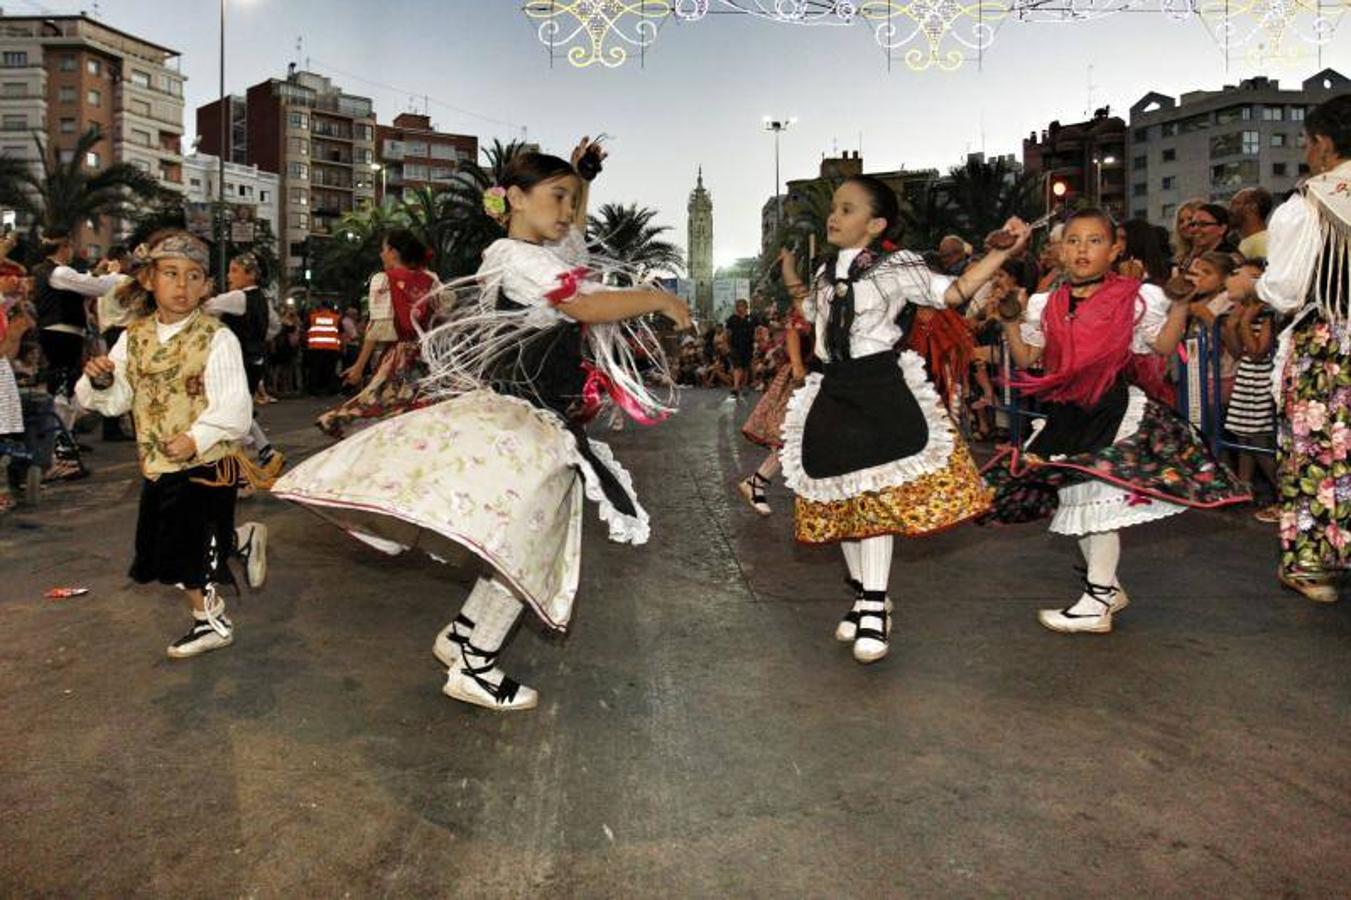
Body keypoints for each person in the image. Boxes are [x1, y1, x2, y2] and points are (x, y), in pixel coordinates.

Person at [272, 141, 692, 712]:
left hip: (538, 417)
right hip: (523, 419)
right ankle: (476, 662)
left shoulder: (534, 250)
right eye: (557, 197)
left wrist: (583, 178)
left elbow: (572, 246)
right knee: (529, 539)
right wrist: (655, 297)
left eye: (572, 199)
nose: (568, 210)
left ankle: (466, 636)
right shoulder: (515, 257)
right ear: (515, 198)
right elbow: (583, 305)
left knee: (520, 536)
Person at [777, 175, 1023, 664]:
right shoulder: (827, 272)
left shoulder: (896, 266)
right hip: (833, 387)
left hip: (877, 384)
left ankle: (874, 605)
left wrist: (1001, 253)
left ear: (876, 224)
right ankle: (866, 596)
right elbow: (806, 309)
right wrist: (789, 271)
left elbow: (951, 293)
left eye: (847, 209)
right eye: (835, 208)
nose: (834, 215)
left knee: (874, 493)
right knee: (836, 493)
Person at [984, 209, 1248, 634]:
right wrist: (1012, 322)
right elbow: (1026, 360)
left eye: (1093, 241)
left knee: (1098, 506)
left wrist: (1179, 305)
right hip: (1066, 412)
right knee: (1079, 503)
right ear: (1058, 250)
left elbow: (1161, 346)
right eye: (1072, 241)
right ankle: (1108, 588)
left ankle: (1098, 601)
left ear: (1115, 248)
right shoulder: (1043, 302)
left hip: (1111, 409)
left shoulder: (1137, 296)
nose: (1082, 250)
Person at [74, 231, 269, 659]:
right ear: (149, 280)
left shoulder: (217, 338)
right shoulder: (135, 337)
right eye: (171, 274)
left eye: (193, 276)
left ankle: (211, 622)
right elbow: (117, 399)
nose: (181, 286)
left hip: (207, 464)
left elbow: (237, 408)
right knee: (161, 550)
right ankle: (240, 539)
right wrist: (102, 380)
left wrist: (196, 436)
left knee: (189, 551)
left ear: (205, 287)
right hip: (158, 464)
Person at [1227, 94, 1351, 602]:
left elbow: (1287, 288)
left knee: (1318, 453)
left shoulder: (1311, 203)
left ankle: (1313, 565)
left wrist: (1248, 288)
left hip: (1331, 346)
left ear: (1322, 144)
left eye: (1305, 142)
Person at [316, 228, 442, 437]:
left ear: (393, 252)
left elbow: (377, 330)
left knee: (380, 406)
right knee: (423, 408)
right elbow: (443, 314)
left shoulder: (384, 280)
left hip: (400, 355)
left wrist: (358, 367)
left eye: (383, 249)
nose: (381, 254)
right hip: (430, 353)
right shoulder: (431, 278)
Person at [204, 252, 285, 489]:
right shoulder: (262, 299)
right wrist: (258, 339)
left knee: (230, 412)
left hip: (236, 363)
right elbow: (275, 326)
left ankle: (241, 475)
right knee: (240, 410)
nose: (229, 276)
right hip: (256, 362)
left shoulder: (238, 297)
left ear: (250, 275)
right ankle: (266, 452)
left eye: (234, 270)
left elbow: (206, 307)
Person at [1219, 258, 1281, 523]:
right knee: (1244, 437)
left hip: (1261, 379)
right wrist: (1233, 325)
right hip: (1246, 378)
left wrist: (1245, 322)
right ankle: (1243, 486)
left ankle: (1284, 492)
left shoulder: (1267, 311)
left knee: (1257, 439)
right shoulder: (1244, 309)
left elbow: (1257, 352)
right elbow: (1238, 351)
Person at [737, 306, 813, 515]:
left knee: (802, 438)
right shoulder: (814, 300)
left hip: (820, 375)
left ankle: (757, 482)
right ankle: (757, 482)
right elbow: (794, 330)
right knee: (795, 437)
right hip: (806, 377)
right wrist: (797, 364)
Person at [93, 245, 134, 442]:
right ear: (121, 260)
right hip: (125, 331)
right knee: (131, 377)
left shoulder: (100, 282)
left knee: (113, 376)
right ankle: (134, 425)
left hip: (108, 331)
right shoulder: (126, 281)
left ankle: (111, 427)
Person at [304, 299, 342, 395]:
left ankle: (313, 390)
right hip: (332, 349)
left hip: (315, 348)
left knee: (315, 370)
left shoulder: (312, 317)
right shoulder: (336, 318)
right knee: (330, 370)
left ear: (320, 307)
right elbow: (341, 334)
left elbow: (305, 332)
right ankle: (329, 390)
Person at [1231, 186, 1273, 261]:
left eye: (1236, 203)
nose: (1230, 209)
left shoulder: (1261, 243)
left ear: (1253, 207)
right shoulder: (1252, 241)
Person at [725, 298, 755, 398]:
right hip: (735, 346)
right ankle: (736, 387)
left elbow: (758, 330)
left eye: (742, 305)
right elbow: (728, 333)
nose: (740, 308)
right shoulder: (732, 319)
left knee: (746, 366)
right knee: (737, 366)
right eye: (738, 306)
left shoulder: (751, 318)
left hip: (748, 346)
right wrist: (727, 345)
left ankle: (744, 385)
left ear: (746, 307)